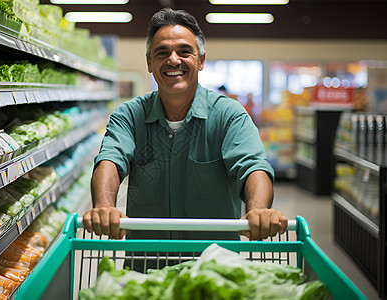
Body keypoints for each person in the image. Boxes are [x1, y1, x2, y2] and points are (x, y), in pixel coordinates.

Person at [83, 8, 287, 242]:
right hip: (147, 265)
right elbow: (110, 159)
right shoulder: (129, 115)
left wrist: (258, 211)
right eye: (162, 52)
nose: (173, 59)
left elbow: (253, 167)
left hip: (213, 266)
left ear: (200, 61)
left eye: (184, 51)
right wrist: (104, 207)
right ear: (150, 63)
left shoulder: (229, 115)